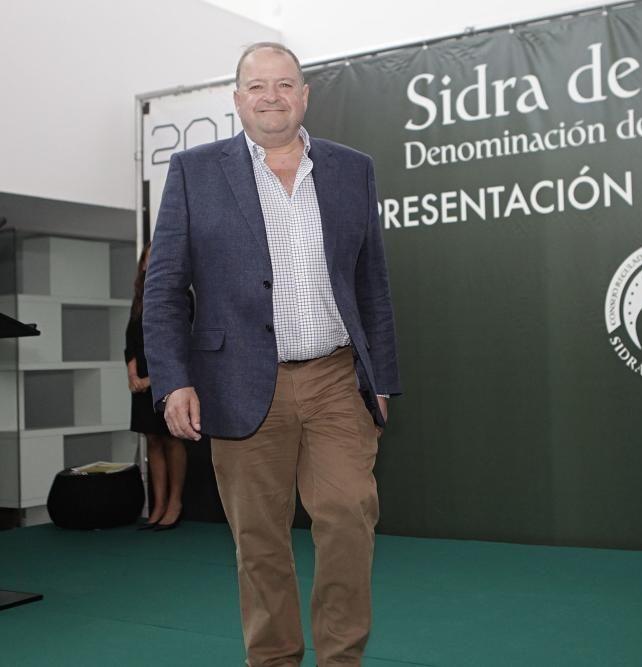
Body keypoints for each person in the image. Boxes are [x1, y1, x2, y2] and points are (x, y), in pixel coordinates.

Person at [143, 42, 401, 666]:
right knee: (259, 540)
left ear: (304, 95)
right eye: (257, 86)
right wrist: (173, 380)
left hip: (336, 378)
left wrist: (383, 378)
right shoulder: (194, 171)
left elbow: (372, 283)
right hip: (236, 382)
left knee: (347, 512)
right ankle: (275, 660)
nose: (272, 97)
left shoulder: (351, 169)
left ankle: (342, 658)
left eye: (285, 84)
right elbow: (165, 286)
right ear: (237, 99)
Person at [125, 243, 186, 532]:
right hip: (141, 383)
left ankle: (175, 504)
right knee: (152, 441)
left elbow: (184, 340)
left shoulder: (181, 295)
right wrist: (132, 373)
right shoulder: (139, 299)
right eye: (149, 259)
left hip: (167, 378)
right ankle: (158, 506)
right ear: (143, 265)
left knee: (172, 440)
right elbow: (131, 341)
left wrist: (154, 379)